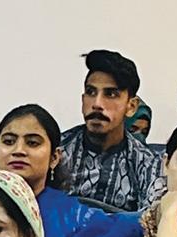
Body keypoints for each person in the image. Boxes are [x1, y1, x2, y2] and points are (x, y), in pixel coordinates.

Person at [0, 103, 141, 237]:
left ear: (54, 158)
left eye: (33, 143)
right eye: (8, 141)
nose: (18, 150)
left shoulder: (81, 222)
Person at [53, 49, 163, 213]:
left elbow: (150, 220)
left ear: (131, 106)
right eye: (91, 92)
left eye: (110, 94)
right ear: (83, 100)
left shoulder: (147, 163)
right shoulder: (57, 152)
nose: (97, 104)